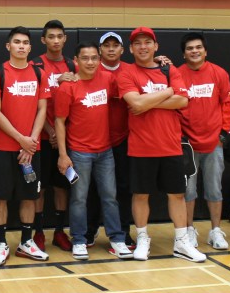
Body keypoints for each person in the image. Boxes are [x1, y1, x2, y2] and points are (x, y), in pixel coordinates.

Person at [118, 27, 205, 263]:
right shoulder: (126, 73)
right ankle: (143, 238)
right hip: (141, 146)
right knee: (141, 195)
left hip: (171, 145)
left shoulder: (169, 69)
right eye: (138, 43)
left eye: (148, 42)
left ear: (156, 46)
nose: (143, 47)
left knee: (177, 194)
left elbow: (183, 100)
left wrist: (147, 102)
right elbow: (134, 103)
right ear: (132, 48)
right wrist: (167, 92)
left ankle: (181, 242)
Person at [55, 42, 131, 260]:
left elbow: (130, 88)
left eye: (94, 58)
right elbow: (59, 122)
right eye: (85, 58)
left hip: (105, 151)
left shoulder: (108, 79)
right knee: (79, 198)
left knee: (110, 197)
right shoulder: (67, 87)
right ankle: (78, 240)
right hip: (79, 152)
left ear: (99, 60)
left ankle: (117, 239)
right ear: (76, 61)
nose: (90, 62)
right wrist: (63, 154)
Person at [0, 26, 50, 265]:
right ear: (8, 46)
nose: (21, 46)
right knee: (0, 197)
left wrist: (30, 141)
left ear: (30, 48)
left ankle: (26, 241)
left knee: (29, 197)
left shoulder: (39, 75)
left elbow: (42, 109)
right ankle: (1, 244)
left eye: (25, 43)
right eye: (17, 42)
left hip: (32, 148)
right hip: (4, 147)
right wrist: (21, 139)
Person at [177, 32, 230, 251]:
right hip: (187, 145)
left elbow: (227, 104)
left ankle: (215, 231)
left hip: (213, 144)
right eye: (190, 48)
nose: (194, 51)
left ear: (205, 51)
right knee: (188, 192)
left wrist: (223, 133)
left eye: (198, 47)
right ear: (184, 53)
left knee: (214, 190)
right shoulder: (177, 75)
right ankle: (189, 230)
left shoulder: (219, 73)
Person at [31, 20, 74, 251]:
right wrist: (50, 131)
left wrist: (62, 135)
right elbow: (34, 105)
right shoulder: (35, 65)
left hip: (65, 140)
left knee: (62, 187)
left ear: (65, 38)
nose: (56, 40)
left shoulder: (73, 65)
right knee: (40, 186)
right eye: (51, 36)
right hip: (42, 138)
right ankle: (38, 232)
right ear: (43, 40)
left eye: (59, 36)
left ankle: (59, 230)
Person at [98, 31, 135, 248]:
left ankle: (123, 231)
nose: (111, 49)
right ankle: (91, 230)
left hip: (124, 140)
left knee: (123, 188)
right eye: (107, 45)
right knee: (93, 190)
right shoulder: (89, 69)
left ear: (122, 49)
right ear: (100, 49)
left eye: (115, 45)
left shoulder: (131, 71)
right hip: (96, 141)